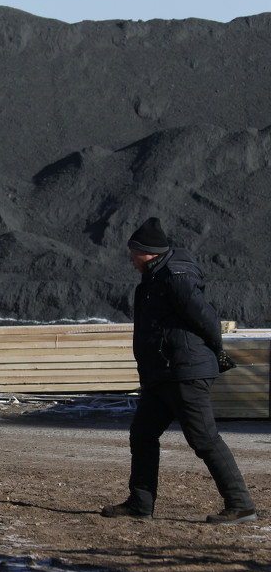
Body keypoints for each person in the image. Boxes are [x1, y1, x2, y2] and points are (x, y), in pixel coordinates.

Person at [102, 217, 257, 524]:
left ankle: (241, 505)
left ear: (148, 252)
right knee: (142, 434)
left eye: (133, 251)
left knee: (203, 438)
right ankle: (140, 504)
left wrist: (214, 352)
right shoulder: (153, 280)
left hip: (184, 372)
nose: (130, 258)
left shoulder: (176, 277)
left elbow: (207, 319)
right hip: (163, 374)